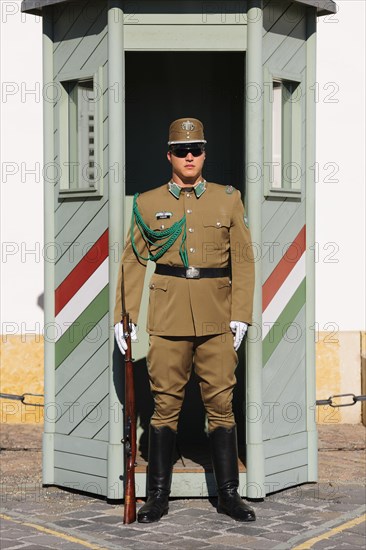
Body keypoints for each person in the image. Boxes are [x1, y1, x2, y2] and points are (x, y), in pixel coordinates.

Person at [114, 118, 255, 523]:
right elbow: (135, 261)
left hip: (218, 317)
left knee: (222, 406)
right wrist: (126, 317)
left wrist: (241, 315)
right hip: (169, 315)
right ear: (169, 155)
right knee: (164, 407)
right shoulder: (146, 202)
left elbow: (243, 261)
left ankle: (229, 494)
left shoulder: (229, 199)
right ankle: (157, 496)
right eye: (180, 150)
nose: (189, 156)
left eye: (196, 150)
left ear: (205, 153)